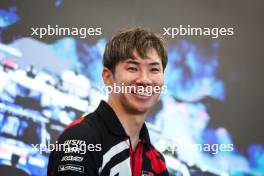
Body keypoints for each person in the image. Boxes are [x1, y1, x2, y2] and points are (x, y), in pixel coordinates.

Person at [47, 27, 169, 176]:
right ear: (108, 77)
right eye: (132, 68)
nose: (145, 80)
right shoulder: (81, 139)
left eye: (154, 69)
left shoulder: (156, 161)